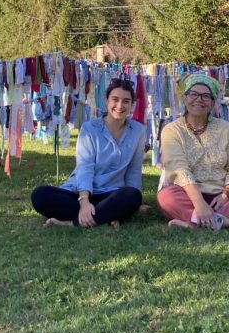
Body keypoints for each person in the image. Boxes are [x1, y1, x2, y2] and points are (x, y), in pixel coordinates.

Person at [157, 73, 229, 230]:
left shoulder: (225, 128)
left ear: (212, 103)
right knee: (166, 197)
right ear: (184, 99)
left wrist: (226, 195)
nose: (199, 99)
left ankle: (199, 222)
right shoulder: (171, 130)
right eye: (193, 94)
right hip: (188, 194)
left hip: (222, 196)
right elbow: (179, 170)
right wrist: (200, 204)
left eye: (206, 96)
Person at [31, 78, 145, 228]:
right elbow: (85, 167)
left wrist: (135, 204)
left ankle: (72, 223)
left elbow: (133, 171)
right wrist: (84, 202)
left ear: (132, 105)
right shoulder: (89, 129)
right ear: (106, 101)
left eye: (126, 101)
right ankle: (107, 215)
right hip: (81, 192)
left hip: (111, 194)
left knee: (133, 196)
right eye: (115, 100)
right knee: (40, 195)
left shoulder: (138, 130)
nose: (120, 106)